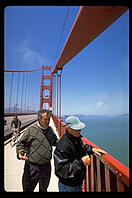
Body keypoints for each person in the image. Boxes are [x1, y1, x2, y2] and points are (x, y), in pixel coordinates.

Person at [54, 116, 107, 192]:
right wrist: (81, 163)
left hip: (76, 183)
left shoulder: (74, 138)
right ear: (67, 128)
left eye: (79, 128)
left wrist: (92, 149)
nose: (79, 130)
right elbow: (61, 170)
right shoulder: (63, 146)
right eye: (76, 129)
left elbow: (81, 147)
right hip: (68, 186)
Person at [16, 109, 58, 192]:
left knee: (44, 189)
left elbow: (55, 142)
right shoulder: (31, 130)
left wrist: (67, 141)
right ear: (39, 119)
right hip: (32, 167)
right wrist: (20, 151)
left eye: (49, 119)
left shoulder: (50, 130)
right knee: (28, 189)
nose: (48, 121)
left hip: (46, 167)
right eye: (45, 119)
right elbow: (21, 143)